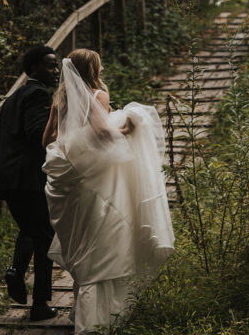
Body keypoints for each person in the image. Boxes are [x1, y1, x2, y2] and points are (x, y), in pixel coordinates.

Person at [42, 48, 174, 335]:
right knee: (102, 246)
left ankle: (81, 312)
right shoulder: (98, 96)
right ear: (92, 70)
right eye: (99, 67)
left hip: (69, 182)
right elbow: (102, 133)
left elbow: (48, 140)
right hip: (94, 184)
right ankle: (94, 323)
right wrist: (129, 126)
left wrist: (75, 144)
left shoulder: (59, 100)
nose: (102, 71)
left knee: (85, 244)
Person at [0, 44, 60, 321]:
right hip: (28, 179)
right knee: (44, 236)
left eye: (56, 66)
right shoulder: (37, 94)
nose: (55, 71)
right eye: (49, 65)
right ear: (33, 69)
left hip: (8, 178)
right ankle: (40, 304)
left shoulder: (13, 97)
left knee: (31, 229)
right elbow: (37, 134)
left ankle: (15, 271)